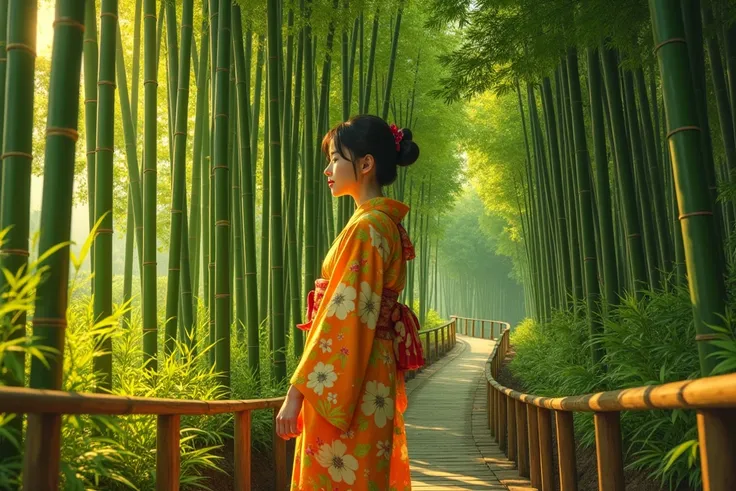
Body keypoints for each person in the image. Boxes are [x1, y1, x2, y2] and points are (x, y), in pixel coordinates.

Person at [276, 114, 423, 490]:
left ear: (366, 163)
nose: (328, 169)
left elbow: (342, 318)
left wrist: (298, 393)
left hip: (347, 381)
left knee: (338, 473)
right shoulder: (380, 224)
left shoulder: (367, 228)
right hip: (370, 373)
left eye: (336, 159)